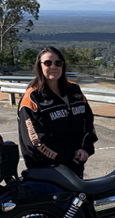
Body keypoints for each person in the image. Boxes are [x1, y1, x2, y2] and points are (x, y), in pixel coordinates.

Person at [17, 46, 98, 178]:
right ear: (40, 66)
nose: (53, 66)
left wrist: (85, 148)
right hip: (47, 170)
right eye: (48, 63)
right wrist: (69, 154)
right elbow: (36, 140)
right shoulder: (32, 97)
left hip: (76, 164)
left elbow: (88, 121)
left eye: (58, 63)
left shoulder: (74, 90)